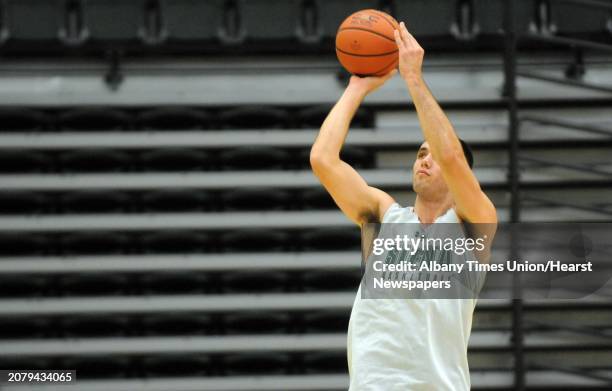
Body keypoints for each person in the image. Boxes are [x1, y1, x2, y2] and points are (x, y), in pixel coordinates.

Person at [309, 21, 498, 390]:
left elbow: (452, 156)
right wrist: (357, 87)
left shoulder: (474, 225)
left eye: (433, 155)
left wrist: (413, 78)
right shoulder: (383, 215)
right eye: (419, 153)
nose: (424, 160)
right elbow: (322, 159)